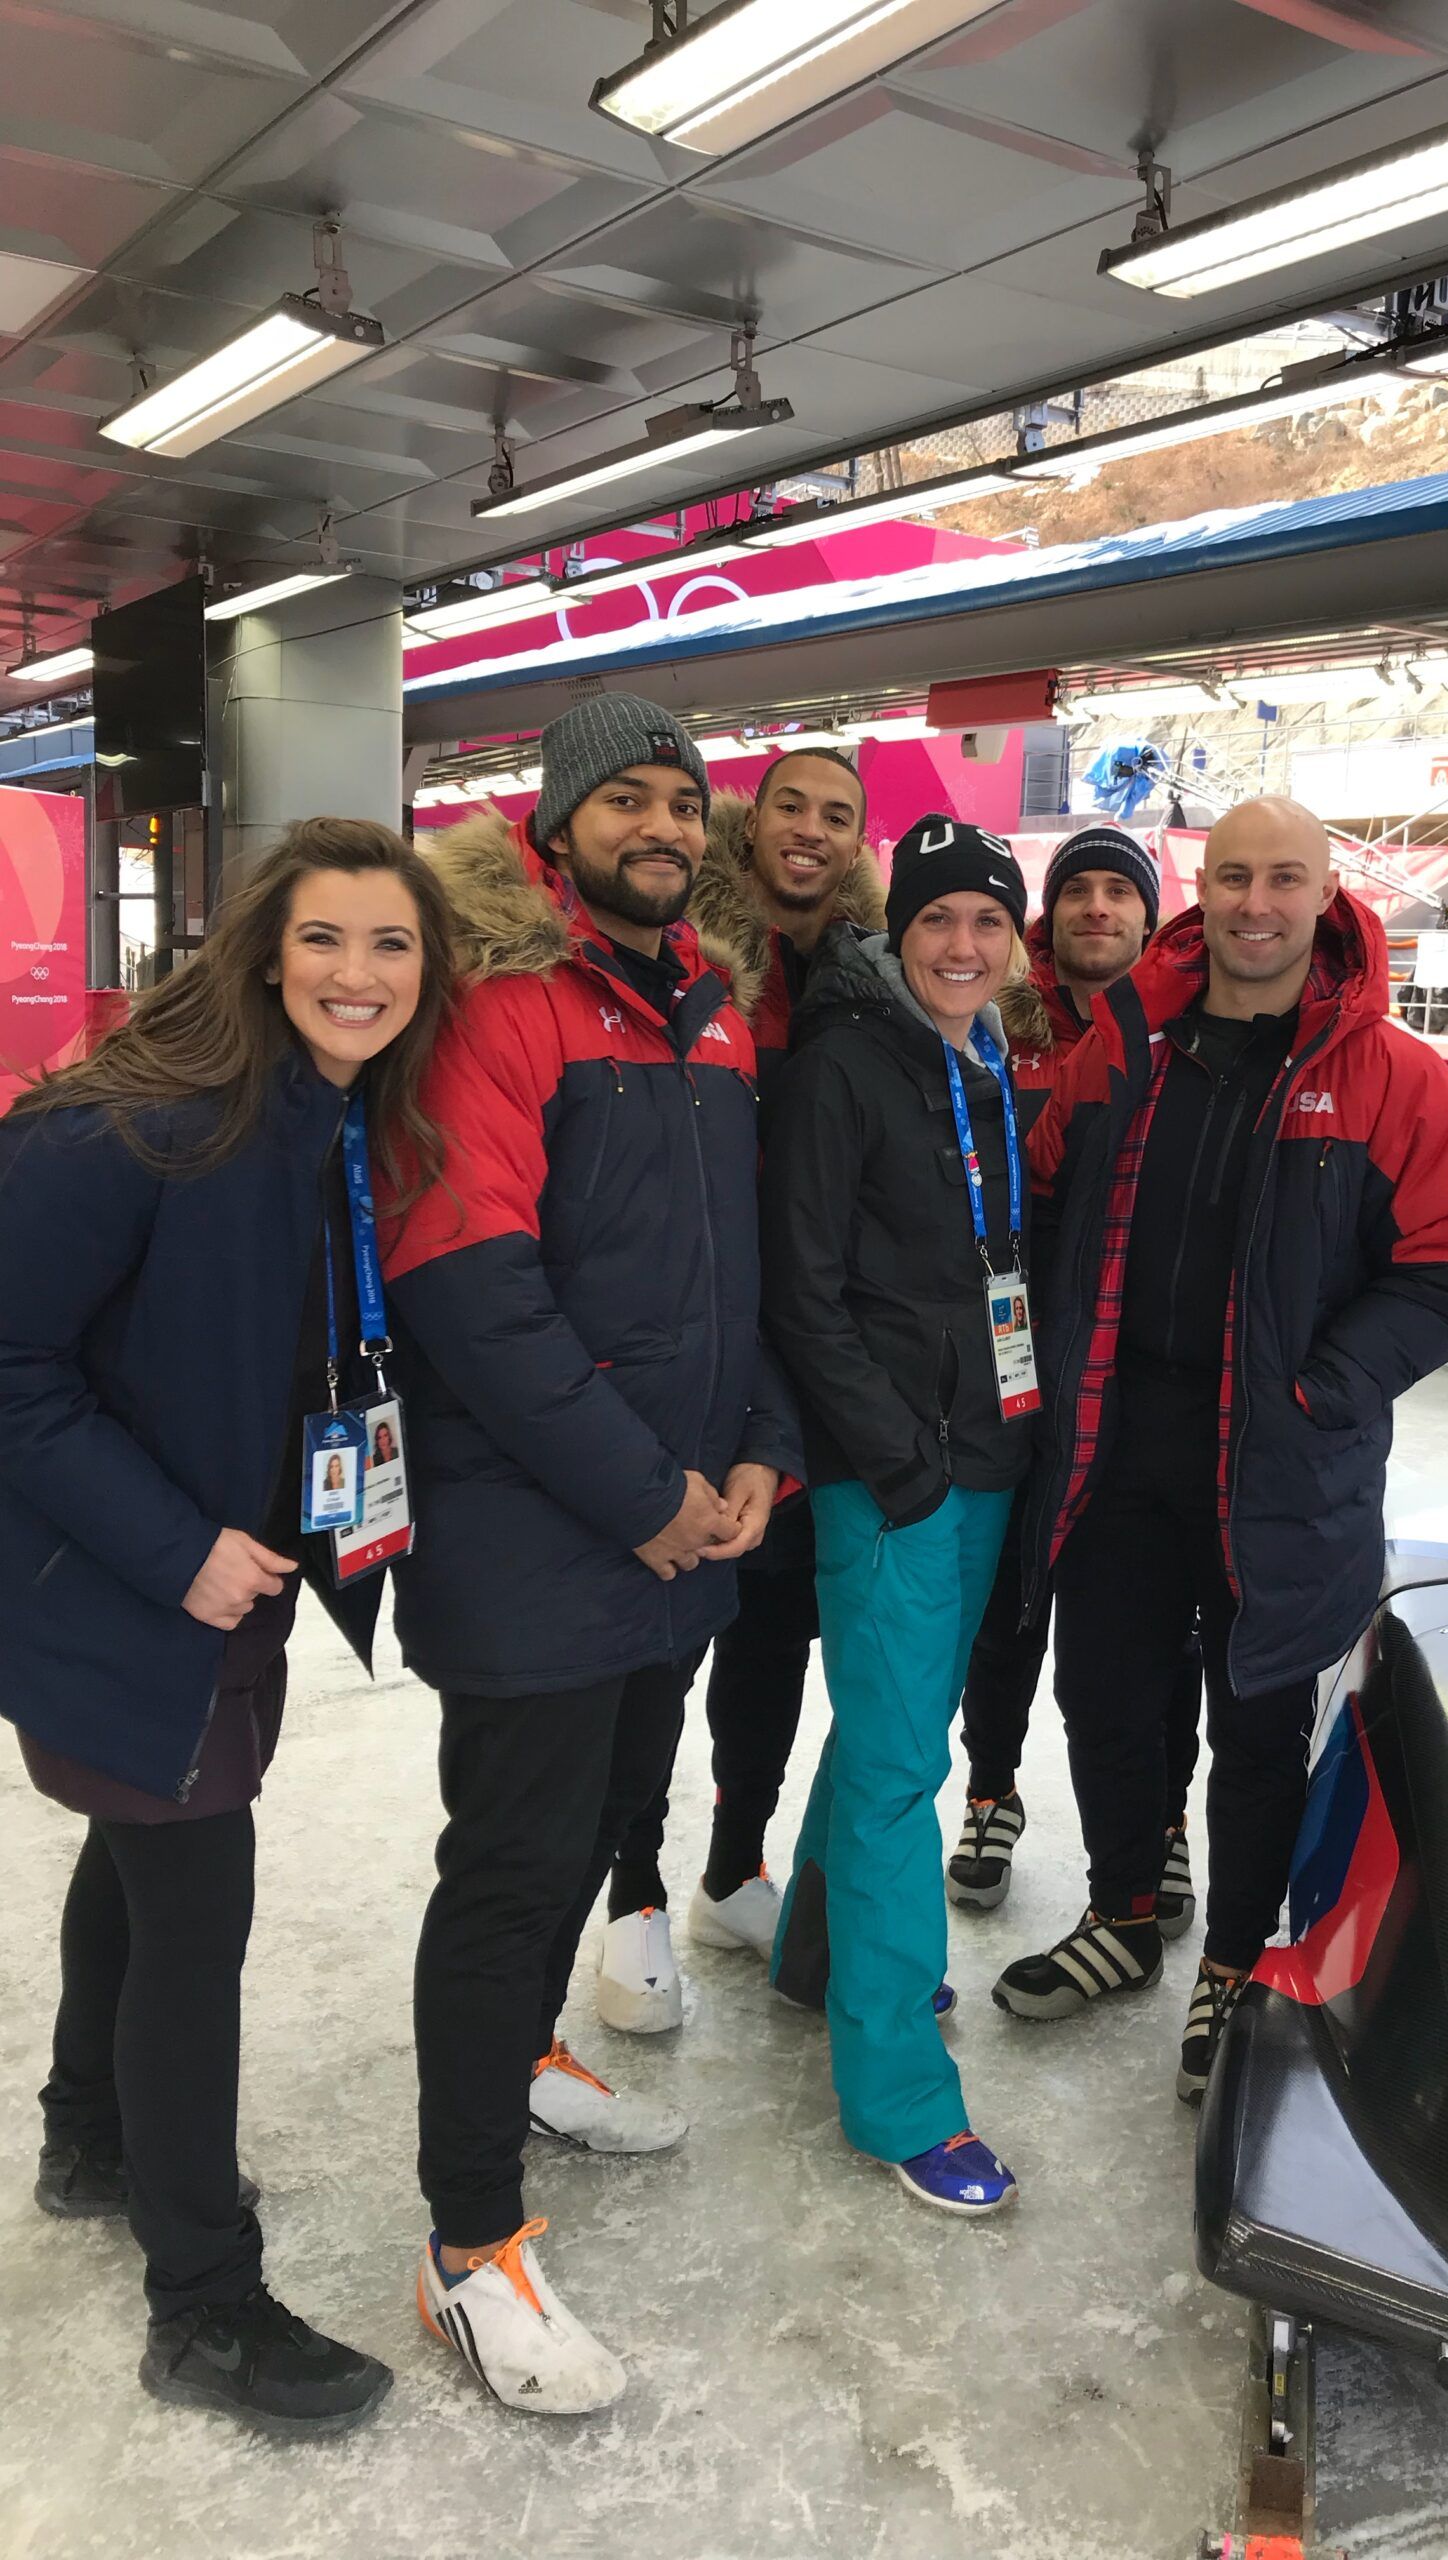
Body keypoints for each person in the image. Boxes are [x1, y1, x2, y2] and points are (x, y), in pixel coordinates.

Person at [0, 817, 458, 2437]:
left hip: (221, 1583)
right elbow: (11, 1370)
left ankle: (88, 2134)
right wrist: (176, 1542)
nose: (360, 972)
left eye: (393, 944)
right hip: (121, 1589)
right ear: (266, 948)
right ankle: (202, 2304)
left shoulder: (322, 1122)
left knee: (141, 1849)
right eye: (328, 937)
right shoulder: (134, 1123)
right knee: (195, 1913)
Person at [383, 696, 801, 2413]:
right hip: (542, 1539)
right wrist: (646, 1496)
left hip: (676, 1539)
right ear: (556, 831)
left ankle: (534, 2062)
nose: (661, 824)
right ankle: (466, 2245)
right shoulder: (499, 1016)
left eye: (681, 801)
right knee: (510, 1867)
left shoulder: (714, 1025)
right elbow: (470, 1289)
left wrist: (766, 1446)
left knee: (598, 1835)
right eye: (623, 799)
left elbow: (741, 1277)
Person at [993, 796, 1448, 2100]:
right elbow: (1043, 1185)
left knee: (1261, 1727)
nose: (1256, 903)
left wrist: (1320, 1391)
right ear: (1199, 887)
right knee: (1103, 1692)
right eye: (1232, 877)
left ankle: (1232, 1966)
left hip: (1281, 1462)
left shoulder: (1395, 1076)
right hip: (1117, 1440)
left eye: (1284, 879)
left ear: (1326, 893)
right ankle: (1122, 1911)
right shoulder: (1126, 1040)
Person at [761, 815, 1037, 2216]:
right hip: (901, 1474)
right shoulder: (844, 1070)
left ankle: (818, 1955)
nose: (965, 945)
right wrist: (898, 1462)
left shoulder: (991, 1063)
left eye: (989, 922)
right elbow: (801, 1292)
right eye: (939, 920)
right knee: (889, 1771)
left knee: (894, 1733)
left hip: (987, 1454)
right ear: (898, 930)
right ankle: (896, 2095)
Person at [592, 745, 887, 2037]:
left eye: (837, 816)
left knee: (771, 1637)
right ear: (748, 823)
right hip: (692, 1342)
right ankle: (631, 1893)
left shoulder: (872, 975)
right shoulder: (685, 960)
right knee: (661, 1642)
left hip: (816, 1357)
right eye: (790, 809)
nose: (810, 833)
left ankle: (730, 1865)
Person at [947, 824, 1204, 1922]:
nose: (1099, 908)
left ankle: (1165, 1820)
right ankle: (992, 1789)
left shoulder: (1185, 1035)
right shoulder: (993, 1020)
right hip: (1010, 1360)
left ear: (1149, 917)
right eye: (1081, 891)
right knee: (1005, 1603)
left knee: (1154, 1622)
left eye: (1120, 891)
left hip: (1133, 1379)